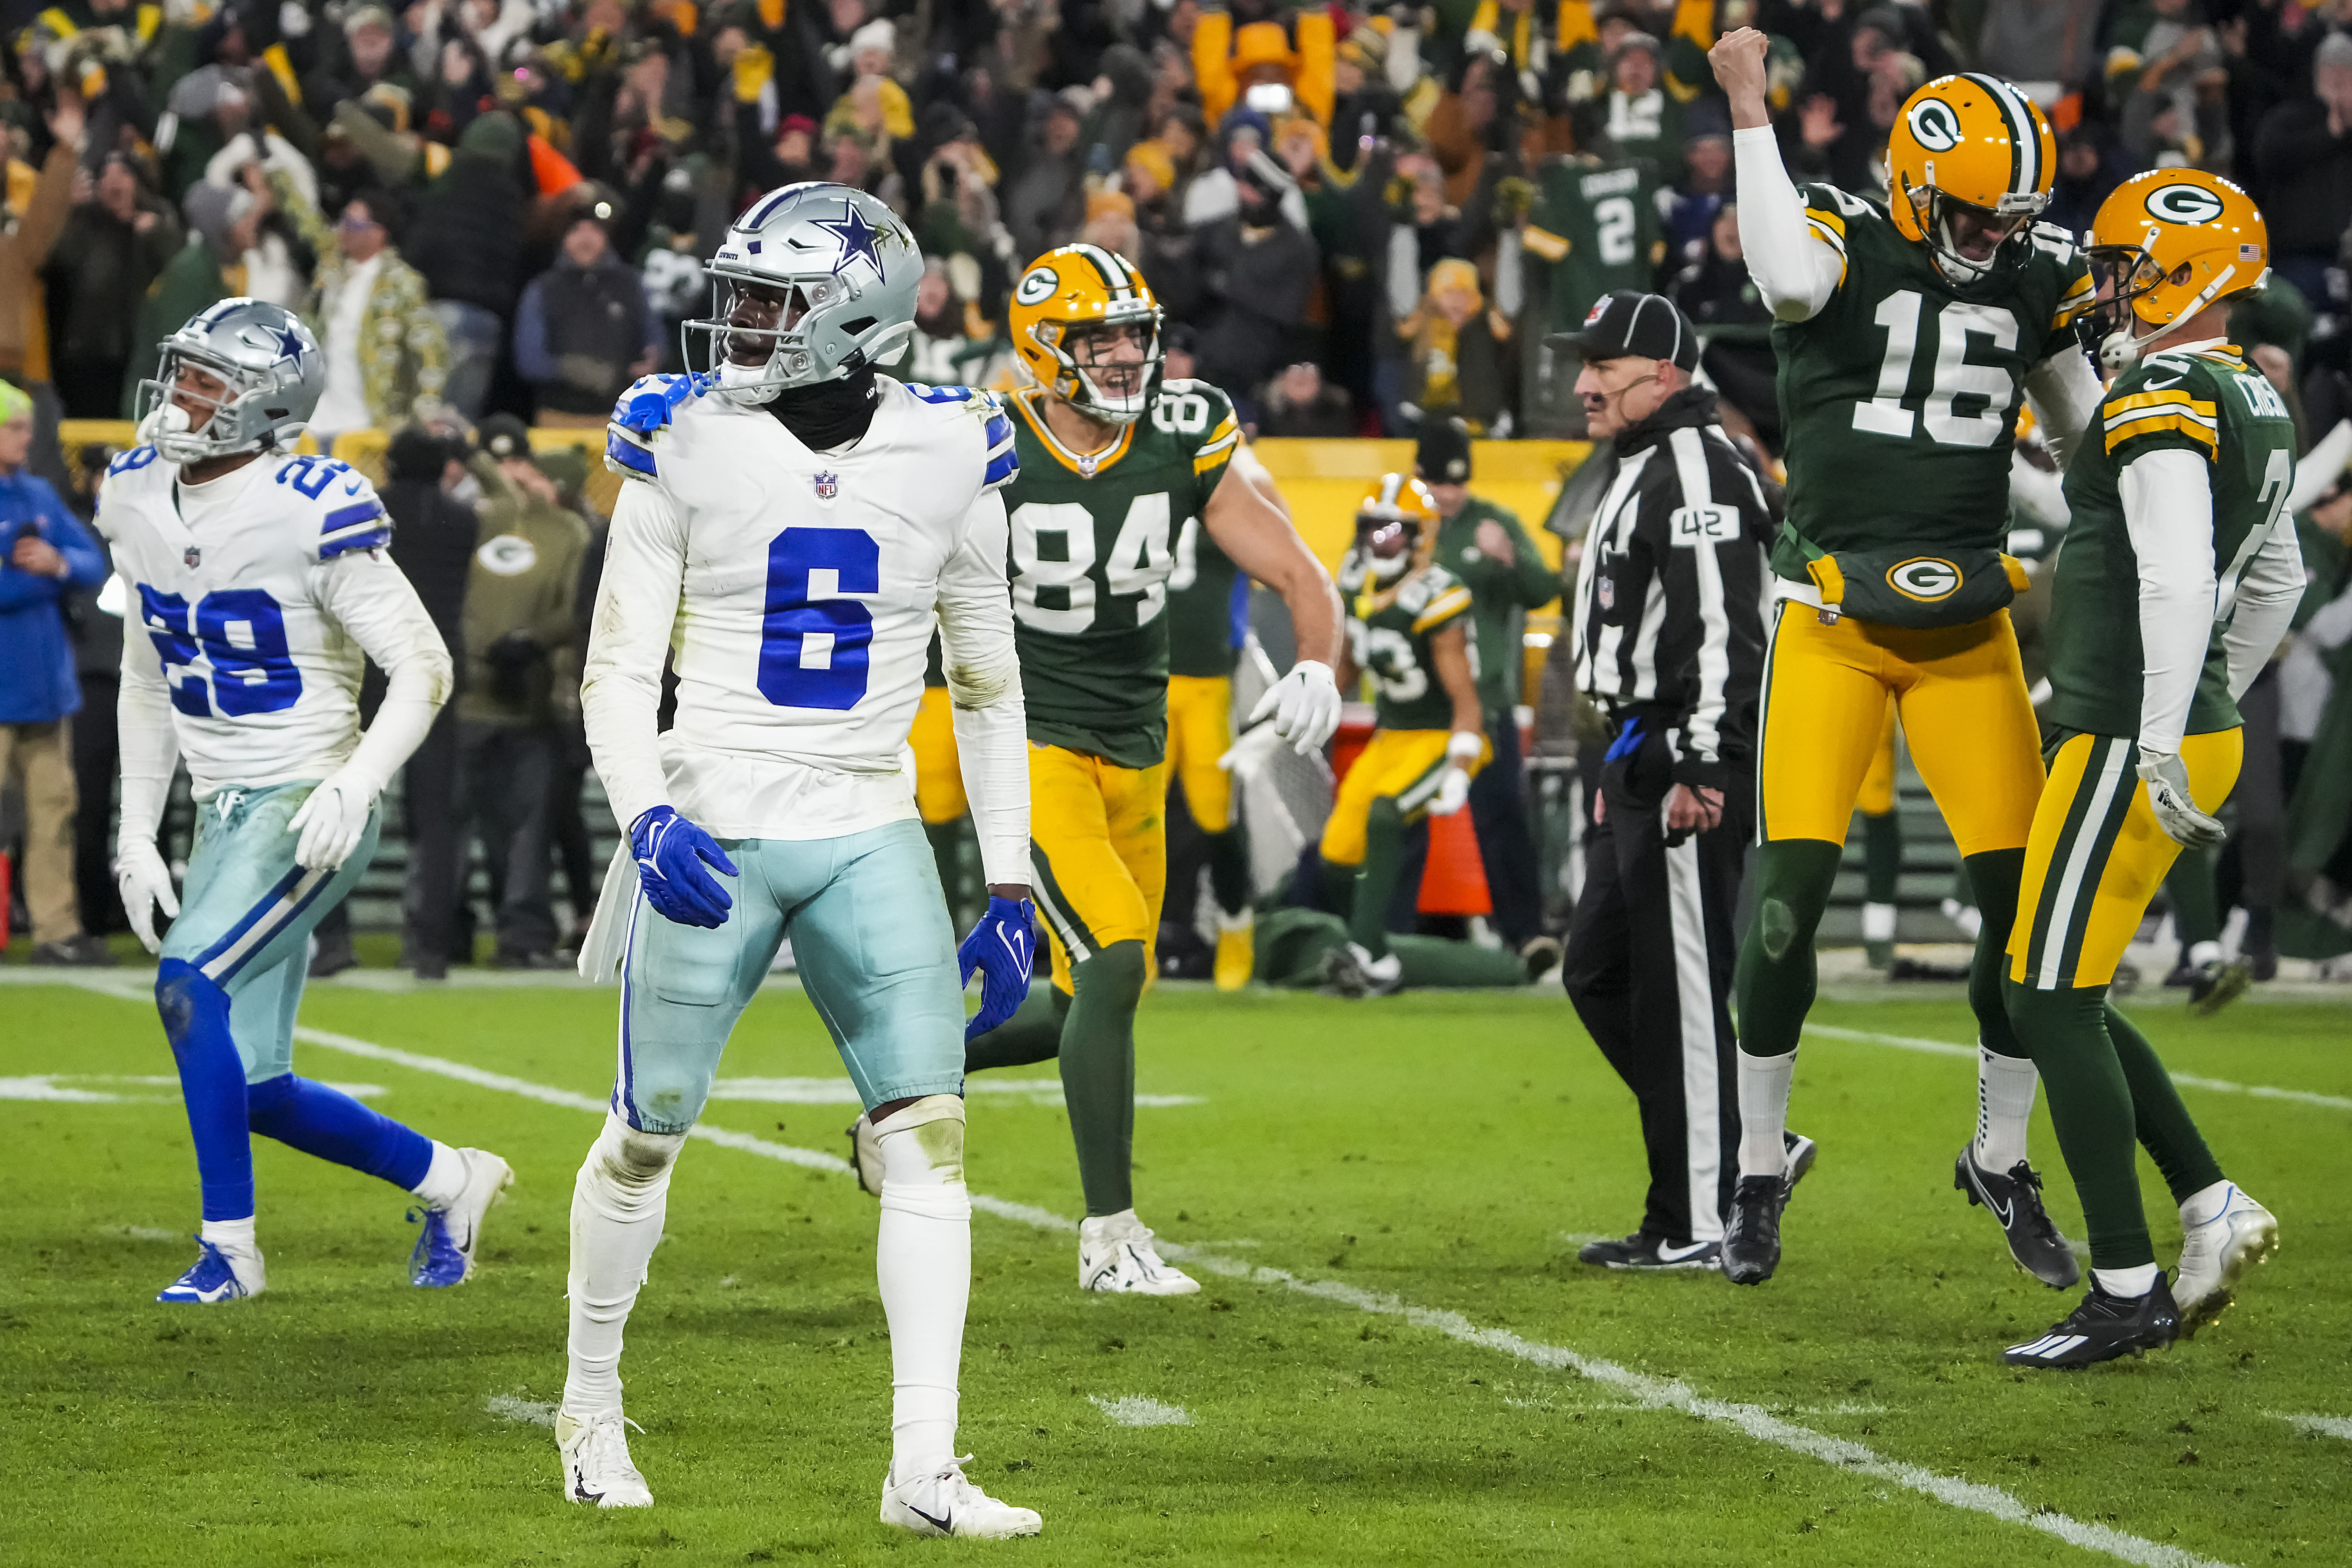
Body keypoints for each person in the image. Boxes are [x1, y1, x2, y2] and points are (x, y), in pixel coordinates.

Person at [562, 184, 1040, 1536]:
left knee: (930, 1138)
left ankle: (923, 1467)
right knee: (649, 1129)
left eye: (771, 299)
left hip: (866, 818)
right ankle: (589, 1403)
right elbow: (616, 665)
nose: (739, 322)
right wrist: (642, 811)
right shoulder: (682, 437)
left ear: (856, 316)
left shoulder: (953, 445)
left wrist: (1007, 876)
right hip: (710, 811)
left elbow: (989, 680)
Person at [1709, 34, 2105, 1289]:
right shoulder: (1835, 224)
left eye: (2012, 223)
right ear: (1912, 181)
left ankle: (1998, 1154)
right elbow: (1776, 279)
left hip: (1967, 630)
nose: (1994, 241)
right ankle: (1760, 1161)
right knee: (1782, 916)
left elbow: (2085, 445)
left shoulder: (2033, 274)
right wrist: (1747, 107)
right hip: (1830, 619)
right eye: (1976, 216)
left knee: (2022, 923)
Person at [953, 243, 1343, 1293]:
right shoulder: (979, 436)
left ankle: (916, 1073)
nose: (1127, 356)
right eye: (1099, 338)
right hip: (1024, 741)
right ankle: (1109, 1233)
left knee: (1103, 989)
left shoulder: (1182, 428)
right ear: (1044, 349)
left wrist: (1316, 659)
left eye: (1135, 334)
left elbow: (1297, 567)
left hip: (1136, 745)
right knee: (1118, 953)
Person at [102, 299, 507, 1304]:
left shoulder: (309, 503)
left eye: (205, 381)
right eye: (181, 373)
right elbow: (146, 674)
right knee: (256, 1084)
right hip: (223, 805)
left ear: (260, 405)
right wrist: (136, 830)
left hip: (308, 801)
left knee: (186, 983)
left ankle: (230, 1249)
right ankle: (454, 1178)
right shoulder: (135, 493)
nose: (178, 395)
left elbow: (422, 665)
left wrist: (355, 779)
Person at [1999, 170, 2295, 1368]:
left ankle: (2125, 1288)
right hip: (2172, 719)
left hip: (2133, 727)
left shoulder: (2170, 382)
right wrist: (2206, 700)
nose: (2110, 283)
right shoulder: (2252, 393)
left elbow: (2176, 573)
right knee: (2063, 986)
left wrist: (2161, 726)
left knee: (2045, 996)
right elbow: (2274, 584)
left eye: (2126, 263)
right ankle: (2209, 1206)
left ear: (2184, 267)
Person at [1557, 290, 1793, 1269]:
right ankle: (1737, 1152)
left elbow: (1720, 628)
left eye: (1603, 367)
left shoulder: (1693, 465)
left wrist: (1698, 759)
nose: (1582, 384)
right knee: (1600, 972)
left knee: (1683, 992)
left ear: (1665, 373)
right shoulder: (1650, 461)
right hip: (1639, 749)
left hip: (1683, 750)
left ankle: (1701, 1215)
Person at [1319, 475, 1487, 998]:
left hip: (1444, 736)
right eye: (1372, 528)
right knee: (1336, 853)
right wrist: (1310, 695)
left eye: (1392, 530)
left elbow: (1466, 701)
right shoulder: (1354, 581)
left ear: (1421, 536)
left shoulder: (1438, 595)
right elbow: (1345, 662)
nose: (1379, 541)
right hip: (1390, 735)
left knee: (1386, 815)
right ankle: (1374, 957)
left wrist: (1459, 766)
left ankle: (1368, 955)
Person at [1416, 419, 1561, 974]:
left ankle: (1525, 936)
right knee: (1395, 823)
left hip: (1485, 703)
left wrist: (1510, 558)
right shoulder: (1403, 522)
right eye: (1438, 483)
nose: (1449, 494)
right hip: (1418, 708)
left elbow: (1544, 591)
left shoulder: (1495, 522)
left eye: (1457, 483)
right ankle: (1384, 933)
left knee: (1501, 822)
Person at [450, 416, 589, 969]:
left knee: (534, 828)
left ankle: (527, 933)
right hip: (483, 698)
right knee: (474, 826)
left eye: (524, 466)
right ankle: (452, 930)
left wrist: (530, 642)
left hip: (542, 703)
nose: (518, 475)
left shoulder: (573, 532)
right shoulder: (478, 519)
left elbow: (577, 611)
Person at [1, 379, 112, 965]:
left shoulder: (39, 495)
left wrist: (58, 562)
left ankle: (56, 930)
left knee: (54, 816)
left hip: (45, 688)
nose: (27, 436)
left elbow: (92, 560)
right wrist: (41, 578)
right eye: (13, 427)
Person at [513, 206, 663, 428]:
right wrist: (573, 369)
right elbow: (528, 361)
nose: (586, 239)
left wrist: (654, 358)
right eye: (576, 231)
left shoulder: (631, 283)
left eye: (595, 230)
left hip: (621, 417)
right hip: (557, 417)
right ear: (563, 238)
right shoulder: (543, 288)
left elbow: (656, 339)